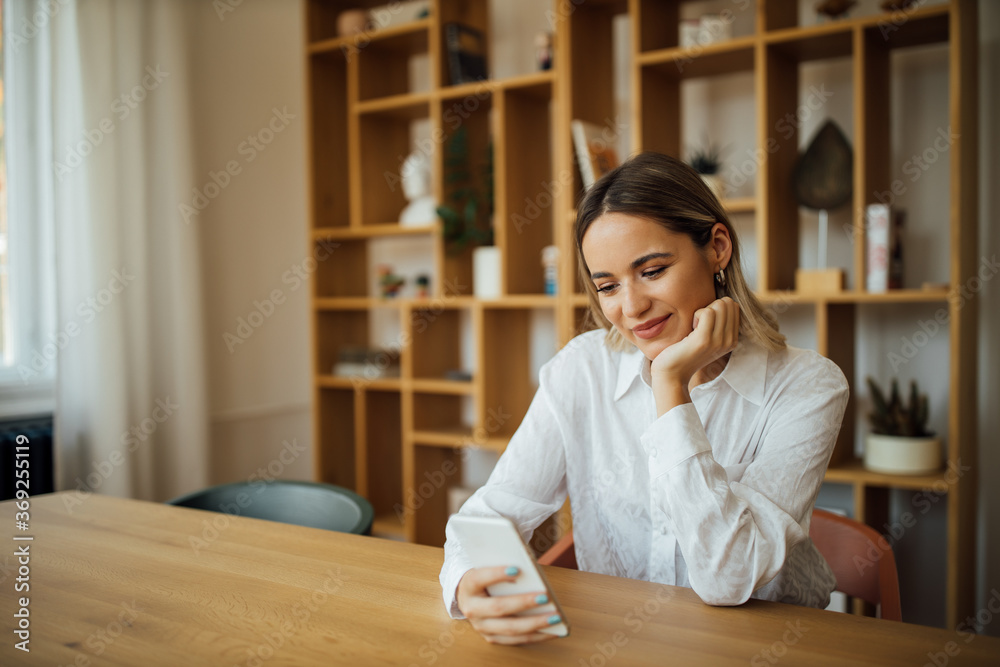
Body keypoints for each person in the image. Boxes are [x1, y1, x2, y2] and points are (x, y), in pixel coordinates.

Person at [439, 151, 849, 645]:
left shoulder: (808, 386)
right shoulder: (583, 368)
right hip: (619, 645)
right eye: (607, 286)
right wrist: (468, 584)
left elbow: (729, 577)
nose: (630, 308)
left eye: (652, 271)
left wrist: (670, 384)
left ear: (717, 247)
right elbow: (491, 514)